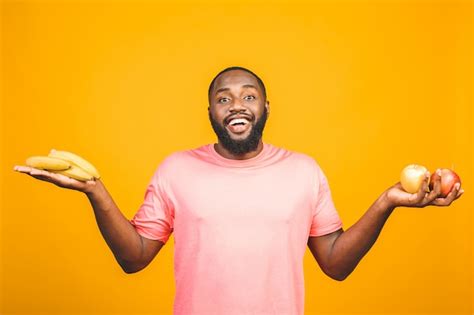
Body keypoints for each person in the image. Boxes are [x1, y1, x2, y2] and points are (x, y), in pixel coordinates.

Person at [14, 66, 464, 315]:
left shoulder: (303, 171)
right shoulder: (177, 169)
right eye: (224, 98)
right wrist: (95, 190)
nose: (237, 105)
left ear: (266, 107)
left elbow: (336, 265)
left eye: (248, 96)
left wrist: (388, 201)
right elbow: (134, 259)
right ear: (210, 110)